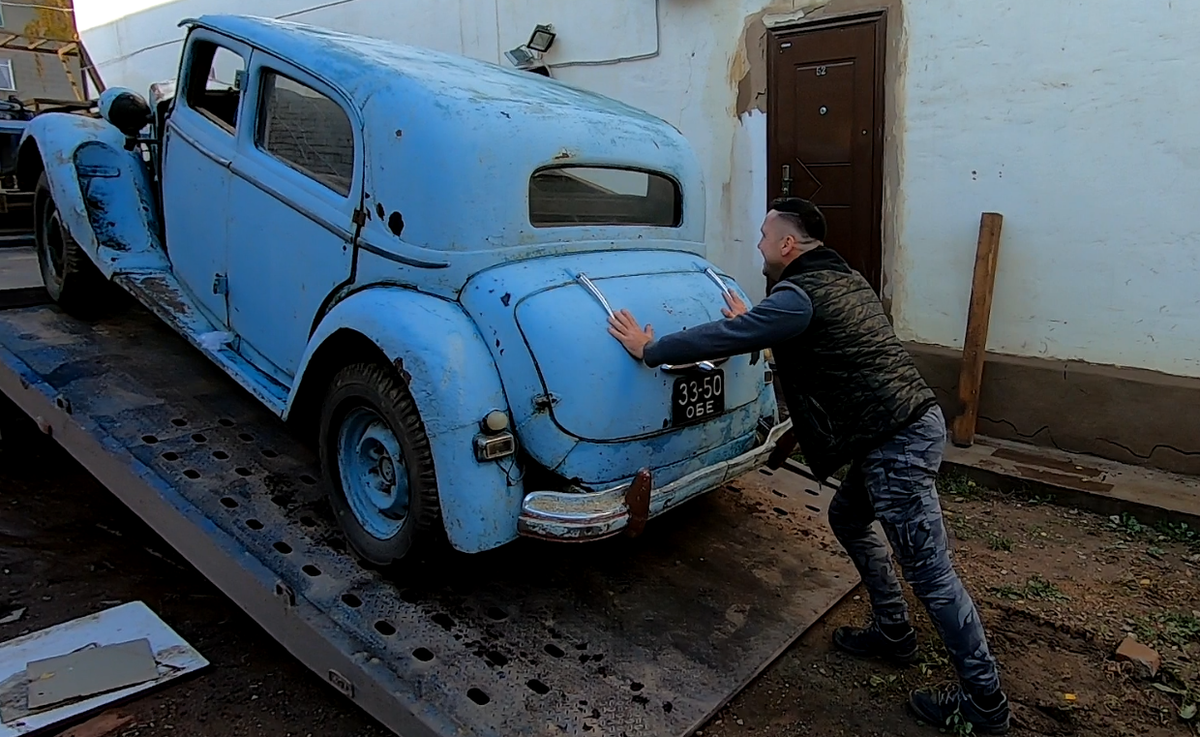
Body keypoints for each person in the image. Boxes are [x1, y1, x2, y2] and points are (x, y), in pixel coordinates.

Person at [607, 197, 1010, 734]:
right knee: (847, 517)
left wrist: (650, 346)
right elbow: (805, 338)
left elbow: (723, 337)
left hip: (896, 440)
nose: (759, 245)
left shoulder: (798, 297)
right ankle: (894, 632)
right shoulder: (844, 279)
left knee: (932, 574)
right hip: (895, 431)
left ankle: (985, 705)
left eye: (764, 235)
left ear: (787, 245)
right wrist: (757, 323)